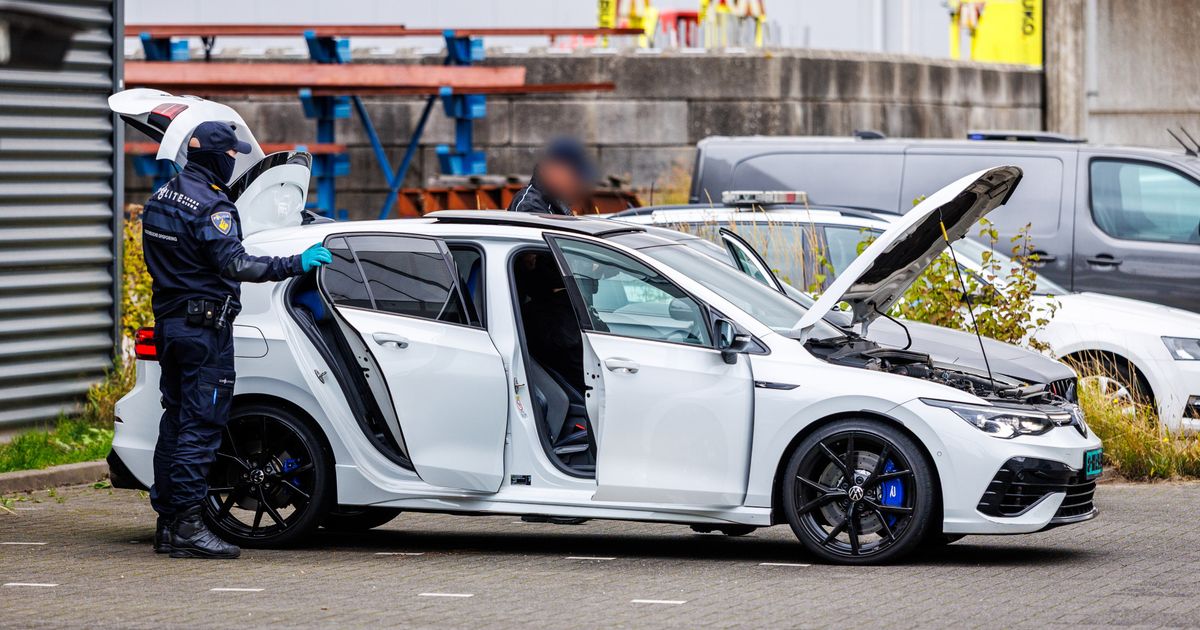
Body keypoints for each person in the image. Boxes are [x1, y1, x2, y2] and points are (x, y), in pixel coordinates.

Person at [141, 120, 332, 559]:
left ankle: (169, 524)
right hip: (205, 332)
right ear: (217, 157)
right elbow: (237, 265)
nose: (233, 161)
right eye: (231, 155)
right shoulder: (213, 208)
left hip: (171, 326)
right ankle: (188, 528)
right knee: (200, 429)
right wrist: (295, 262)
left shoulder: (160, 198)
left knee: (174, 424)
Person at [507, 137, 596, 215]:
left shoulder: (553, 203)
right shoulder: (530, 208)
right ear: (554, 170)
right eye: (576, 177)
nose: (580, 185)